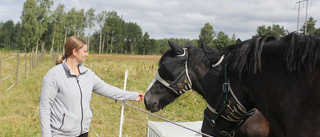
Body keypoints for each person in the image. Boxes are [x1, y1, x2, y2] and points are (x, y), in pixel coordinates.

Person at [39, 36, 144, 137]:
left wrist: (133, 96)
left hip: (83, 131)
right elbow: (45, 107)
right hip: (62, 134)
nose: (87, 54)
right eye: (84, 51)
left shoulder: (88, 74)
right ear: (74, 52)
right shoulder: (54, 75)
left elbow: (108, 89)